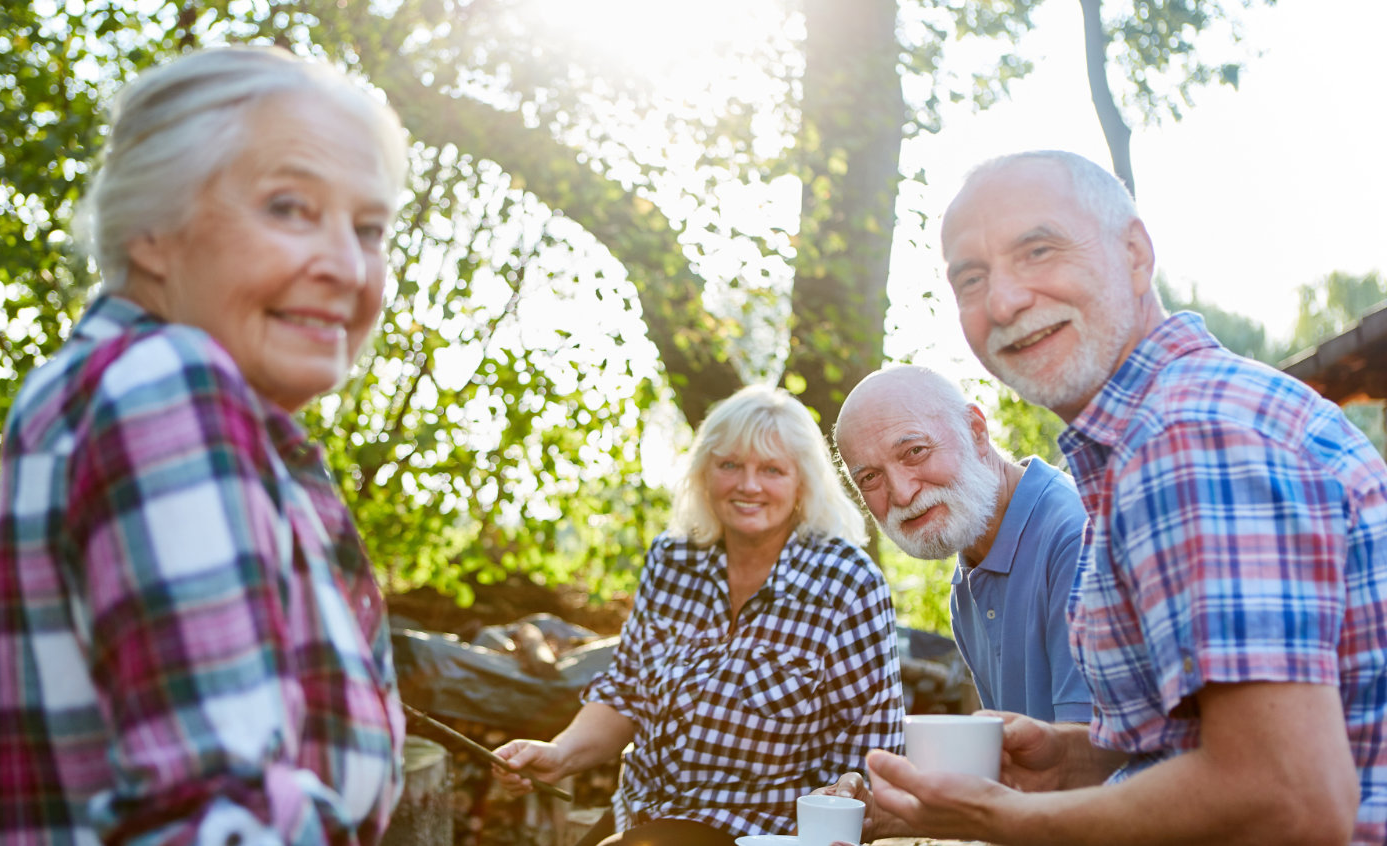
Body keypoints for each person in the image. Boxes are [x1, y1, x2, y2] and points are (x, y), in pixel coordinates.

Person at [0, 46, 411, 846]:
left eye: (370, 228)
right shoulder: (163, 388)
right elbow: (217, 821)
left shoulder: (106, 389)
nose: (350, 268)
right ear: (151, 231)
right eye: (288, 207)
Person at [863, 149, 1387, 845]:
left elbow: (1288, 798)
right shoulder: (1160, 432)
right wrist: (1071, 757)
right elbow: (1204, 746)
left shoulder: (1187, 438)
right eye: (971, 277)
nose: (1004, 301)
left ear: (1136, 253)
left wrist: (997, 818)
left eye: (1038, 249)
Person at [493, 385, 905, 846]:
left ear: (803, 483)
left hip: (767, 833)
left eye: (771, 469)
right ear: (704, 473)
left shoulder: (847, 583)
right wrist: (559, 753)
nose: (748, 485)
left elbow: (874, 749)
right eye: (729, 465)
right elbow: (628, 691)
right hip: (643, 816)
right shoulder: (673, 559)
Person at [821, 365, 1090, 841]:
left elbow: (1089, 775)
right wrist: (895, 812)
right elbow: (1015, 780)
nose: (902, 492)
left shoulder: (1073, 537)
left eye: (915, 451)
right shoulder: (968, 578)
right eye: (871, 478)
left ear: (977, 431)